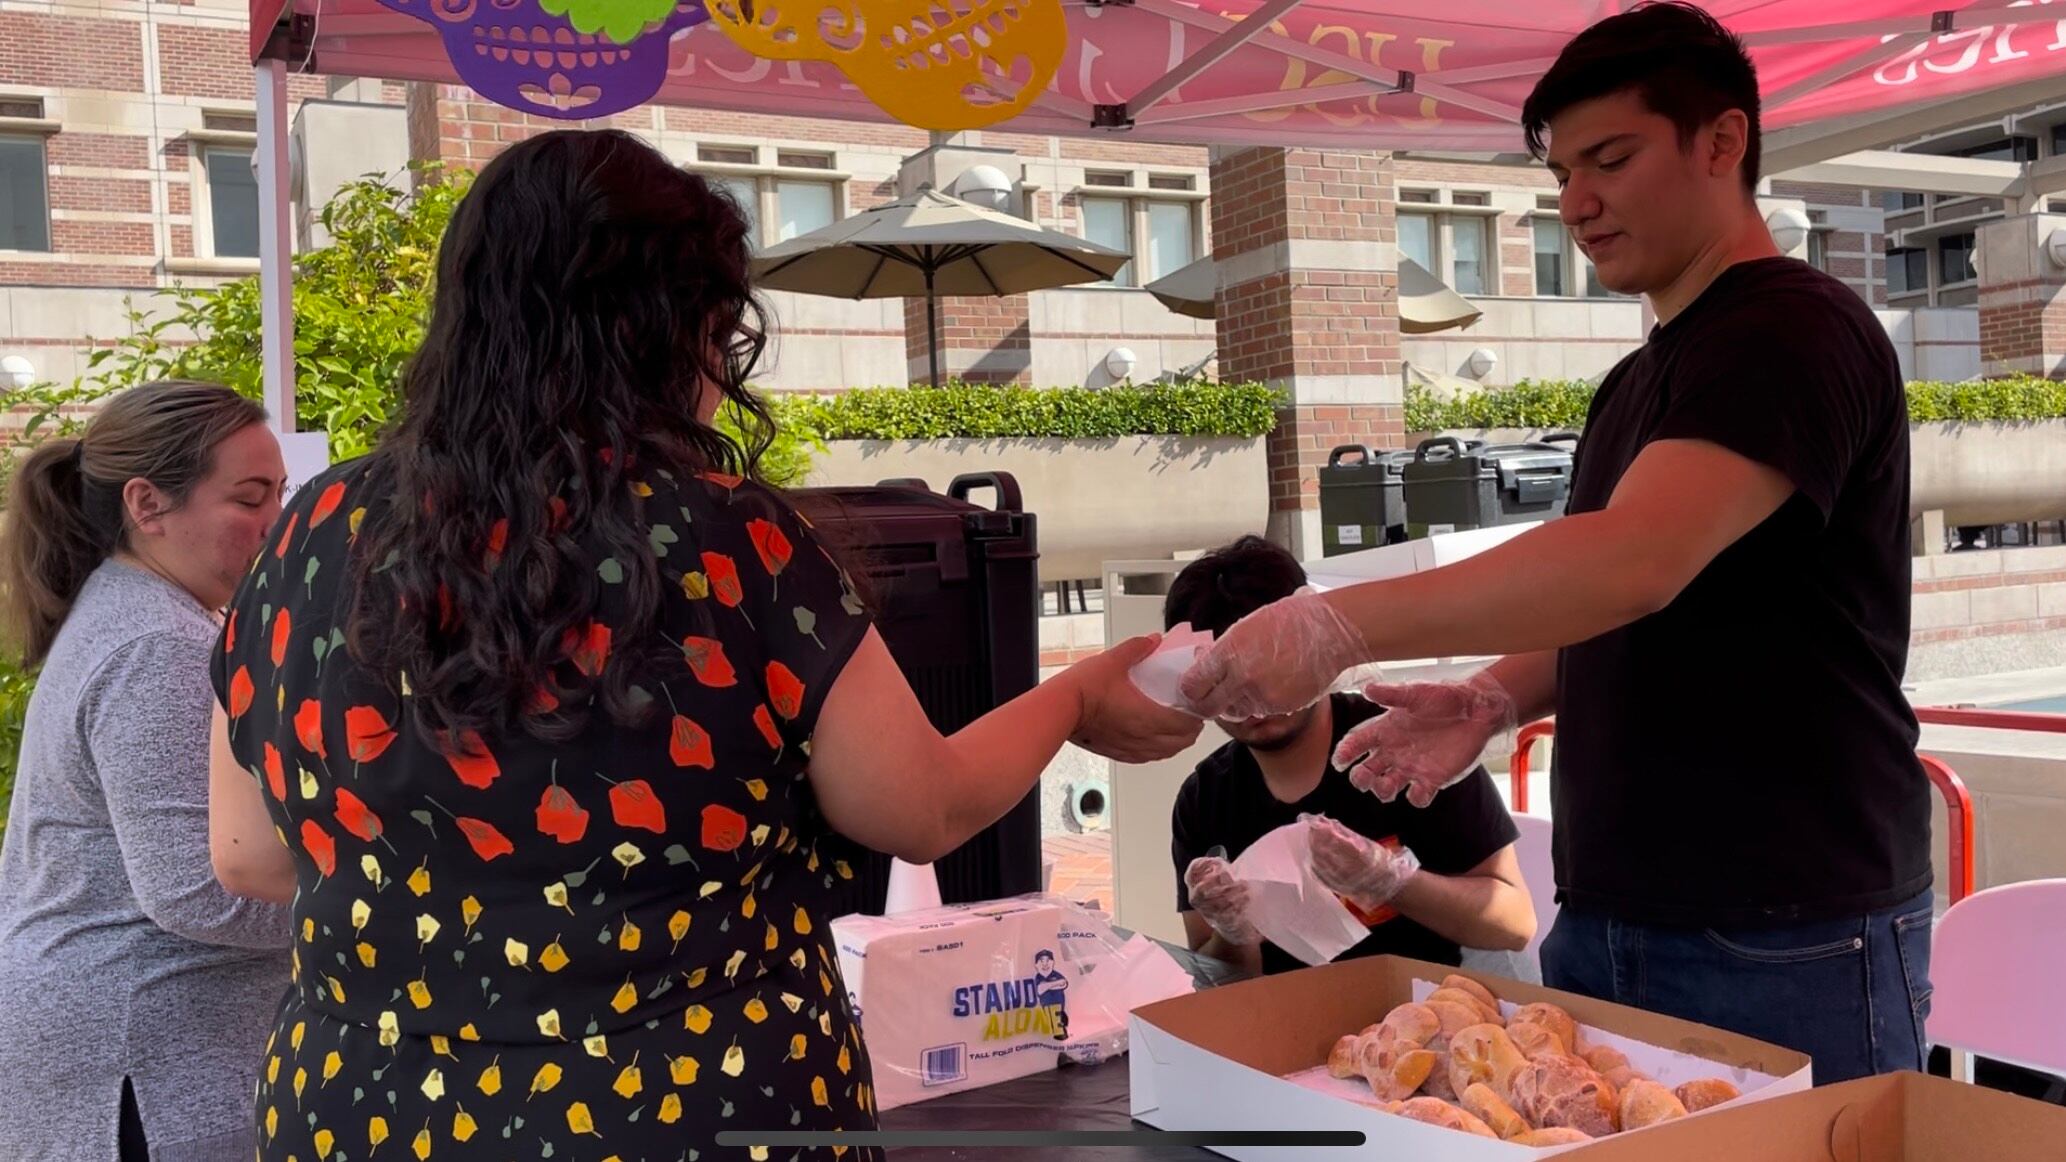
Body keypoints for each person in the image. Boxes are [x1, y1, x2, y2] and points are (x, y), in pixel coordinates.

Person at [205, 128, 1199, 1162]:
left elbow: (246, 850)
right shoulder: (727, 540)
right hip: (687, 1108)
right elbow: (920, 805)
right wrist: (1078, 695)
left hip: (369, 1112)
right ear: (669, 330)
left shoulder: (310, 530)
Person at [1178, 2, 1929, 1084]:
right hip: (1614, 908)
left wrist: (1333, 624)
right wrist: (1492, 695)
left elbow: (1633, 557)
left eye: (1609, 160)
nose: (1576, 203)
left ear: (1720, 143)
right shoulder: (1638, 379)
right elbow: (1616, 601)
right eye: (1560, 175)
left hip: (1784, 923)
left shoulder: (1792, 329)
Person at [0, 381, 294, 1162]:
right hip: (141, 1059)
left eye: (280, 494)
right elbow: (196, 889)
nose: (275, 524)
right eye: (248, 498)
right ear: (148, 503)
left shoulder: (140, 610)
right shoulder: (158, 646)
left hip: (123, 1040)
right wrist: (371, 918)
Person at [1166, 538, 1532, 978]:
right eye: (1225, 682)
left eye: (1265, 669)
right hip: (1286, 1024)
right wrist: (1234, 931)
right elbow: (1219, 977)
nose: (1251, 700)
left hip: (1425, 1013)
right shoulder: (1205, 799)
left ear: (1310, 652)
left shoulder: (1404, 745)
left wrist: (1391, 882)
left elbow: (1514, 923)